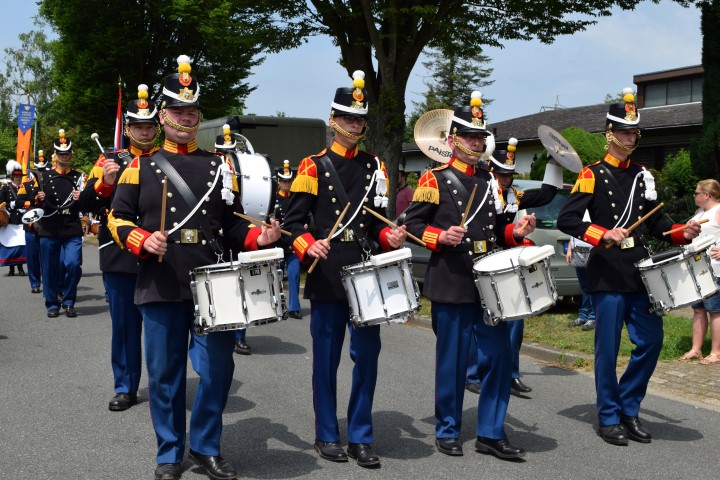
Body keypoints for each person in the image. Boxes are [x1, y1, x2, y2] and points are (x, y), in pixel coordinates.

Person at [108, 55, 281, 480]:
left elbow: (232, 226)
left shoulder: (220, 166)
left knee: (219, 369)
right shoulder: (139, 166)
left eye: (192, 111)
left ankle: (205, 446)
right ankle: (169, 452)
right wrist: (141, 239)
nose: (186, 118)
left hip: (214, 284)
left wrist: (259, 238)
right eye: (178, 110)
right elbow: (117, 218)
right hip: (162, 280)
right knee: (165, 375)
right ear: (162, 116)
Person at [557, 87, 701, 446]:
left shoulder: (642, 175)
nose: (631, 138)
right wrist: (602, 233)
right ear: (610, 133)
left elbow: (658, 223)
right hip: (606, 271)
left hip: (639, 270)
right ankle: (608, 416)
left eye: (635, 132)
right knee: (607, 350)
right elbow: (567, 219)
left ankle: (628, 407)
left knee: (651, 341)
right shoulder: (591, 174)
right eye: (625, 131)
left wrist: (682, 232)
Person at [282, 70, 407, 468]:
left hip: (365, 272)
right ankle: (326, 433)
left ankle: (361, 435)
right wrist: (308, 243)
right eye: (348, 118)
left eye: (359, 119)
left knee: (367, 355)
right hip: (327, 271)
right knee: (326, 359)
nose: (354, 125)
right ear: (333, 119)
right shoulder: (312, 166)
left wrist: (390, 237)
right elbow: (292, 223)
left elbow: (376, 225)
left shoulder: (374, 166)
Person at [403, 91, 536, 460]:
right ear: (453, 140)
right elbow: (412, 225)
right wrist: (439, 236)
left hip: (488, 283)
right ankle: (447, 429)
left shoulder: (490, 180)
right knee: (453, 361)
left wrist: (517, 232)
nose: (476, 143)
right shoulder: (433, 179)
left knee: (499, 357)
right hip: (451, 280)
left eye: (480, 138)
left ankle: (491, 432)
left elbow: (497, 231)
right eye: (469, 137)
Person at [79, 84, 160, 412]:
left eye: (149, 125)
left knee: (161, 328)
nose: (144, 131)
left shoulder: (166, 159)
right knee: (125, 327)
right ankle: (126, 387)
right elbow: (84, 204)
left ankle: (162, 386)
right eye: (138, 126)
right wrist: (106, 183)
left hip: (158, 253)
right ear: (127, 129)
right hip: (119, 253)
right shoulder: (108, 159)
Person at [464, 137, 560, 396]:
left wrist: (555, 159)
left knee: (515, 318)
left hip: (505, 263)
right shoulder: (478, 191)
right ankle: (471, 373)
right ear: (490, 171)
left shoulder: (513, 196)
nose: (506, 180)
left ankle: (511, 373)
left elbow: (547, 194)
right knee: (479, 319)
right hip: (479, 261)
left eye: (509, 175)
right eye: (501, 174)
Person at [35, 130, 84, 318]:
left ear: (71, 154)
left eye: (67, 153)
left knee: (73, 264)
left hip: (71, 226)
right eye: (61, 153)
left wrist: (82, 198)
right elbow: (34, 205)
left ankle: (69, 301)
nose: (64, 156)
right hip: (50, 226)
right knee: (50, 268)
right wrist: (39, 198)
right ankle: (52, 304)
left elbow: (87, 204)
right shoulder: (44, 176)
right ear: (55, 155)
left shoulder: (79, 177)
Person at [213, 124, 253, 355]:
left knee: (240, 285)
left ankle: (239, 336)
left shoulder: (241, 168)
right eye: (223, 152)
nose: (227, 156)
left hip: (237, 234)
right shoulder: (215, 166)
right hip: (216, 238)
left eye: (230, 152)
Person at [679, 179, 720, 364]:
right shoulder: (698, 213)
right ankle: (696, 349)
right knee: (698, 310)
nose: (694, 195)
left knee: (715, 311)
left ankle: (716, 353)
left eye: (696, 193)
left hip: (714, 269)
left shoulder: (718, 211)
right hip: (696, 269)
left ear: (707, 195)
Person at [16, 152, 49, 293]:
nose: (40, 173)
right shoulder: (26, 185)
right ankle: (35, 283)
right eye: (38, 170)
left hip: (47, 224)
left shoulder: (49, 184)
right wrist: (32, 203)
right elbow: (19, 201)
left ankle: (48, 283)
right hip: (31, 225)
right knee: (32, 256)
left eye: (42, 170)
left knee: (47, 257)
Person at [274, 159, 303, 320]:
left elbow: (305, 216)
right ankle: (277, 305)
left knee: (294, 273)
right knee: (275, 276)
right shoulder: (273, 199)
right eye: (284, 181)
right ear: (278, 182)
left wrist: (305, 225)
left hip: (292, 244)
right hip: (277, 244)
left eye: (289, 181)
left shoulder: (296, 199)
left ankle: (294, 307)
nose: (287, 184)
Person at [566, 225, 596, 331]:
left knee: (593, 287)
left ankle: (593, 317)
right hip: (577, 251)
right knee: (584, 287)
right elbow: (573, 233)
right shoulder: (577, 216)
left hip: (592, 251)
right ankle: (583, 316)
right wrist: (569, 250)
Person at [0, 160, 27, 277]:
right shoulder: (6, 189)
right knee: (10, 245)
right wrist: (10, 205)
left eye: (20, 177)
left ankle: (20, 267)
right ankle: (11, 268)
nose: (18, 179)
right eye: (16, 177)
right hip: (10, 220)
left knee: (20, 245)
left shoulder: (25, 188)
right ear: (12, 177)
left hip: (21, 219)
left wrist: (25, 208)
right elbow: (1, 202)